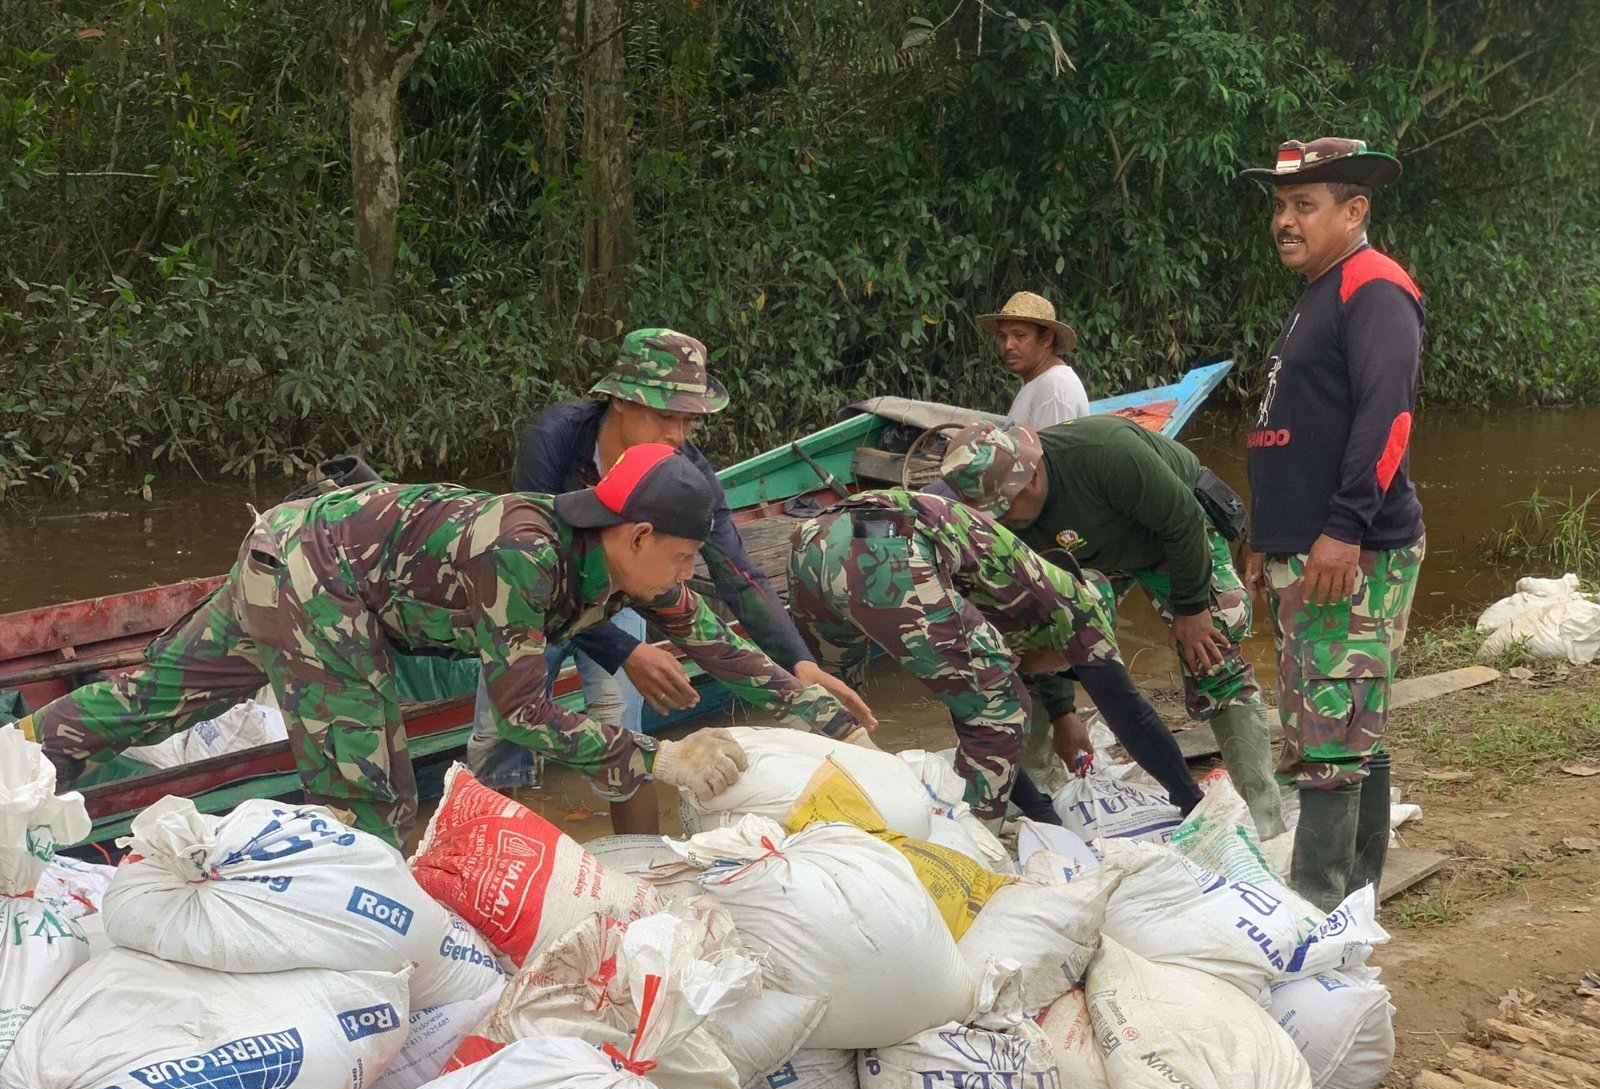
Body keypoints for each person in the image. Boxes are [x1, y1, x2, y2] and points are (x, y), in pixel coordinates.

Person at [31, 444, 861, 846]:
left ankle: (24, 757)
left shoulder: (624, 565)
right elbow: (524, 712)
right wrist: (659, 757)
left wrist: (827, 716)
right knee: (371, 794)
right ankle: (368, 952)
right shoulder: (525, 554)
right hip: (319, 577)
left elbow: (716, 643)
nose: (685, 576)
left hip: (298, 549)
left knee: (158, 697)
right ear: (637, 534)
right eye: (682, 557)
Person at [465, 328, 874, 831]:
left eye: (689, 420)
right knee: (502, 728)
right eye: (665, 416)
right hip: (530, 592)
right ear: (619, 400)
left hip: (623, 594)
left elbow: (737, 572)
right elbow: (529, 564)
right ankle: (491, 844)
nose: (678, 435)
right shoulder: (554, 440)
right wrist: (627, 651)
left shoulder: (686, 473)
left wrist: (797, 662)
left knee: (620, 720)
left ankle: (644, 858)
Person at [1237, 136, 1426, 910]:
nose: (1285, 220)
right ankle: (1354, 902)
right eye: (1281, 206)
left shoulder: (1374, 288)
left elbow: (1388, 418)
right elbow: (1297, 427)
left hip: (1354, 552)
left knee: (1328, 737)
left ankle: (1319, 918)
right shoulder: (1321, 290)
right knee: (1345, 722)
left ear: (1354, 212)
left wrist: (1344, 528)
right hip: (1306, 548)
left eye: (1305, 205)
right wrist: (1268, 536)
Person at [940, 417, 1286, 838]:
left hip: (1170, 540)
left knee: (1213, 655)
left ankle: (1264, 816)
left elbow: (1182, 522)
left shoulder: (1106, 454)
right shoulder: (1007, 525)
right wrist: (1063, 713)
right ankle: (1027, 812)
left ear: (1031, 478)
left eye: (1003, 508)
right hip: (1090, 558)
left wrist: (1192, 610)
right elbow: (1044, 619)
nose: (1001, 521)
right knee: (1022, 650)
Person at [786, 487, 1204, 822]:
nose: (1045, 675)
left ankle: (814, 810)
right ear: (1067, 649)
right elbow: (1132, 716)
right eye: (1061, 671)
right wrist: (1192, 801)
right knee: (999, 707)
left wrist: (1040, 812)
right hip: (887, 549)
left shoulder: (1014, 593)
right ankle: (971, 849)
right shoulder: (1081, 606)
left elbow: (969, 712)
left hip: (815, 539)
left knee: (836, 703)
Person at [977, 291, 1090, 427]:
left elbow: (1047, 442)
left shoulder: (1054, 388)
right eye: (1002, 337)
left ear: (1047, 338)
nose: (1008, 345)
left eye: (1019, 335)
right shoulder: (1040, 382)